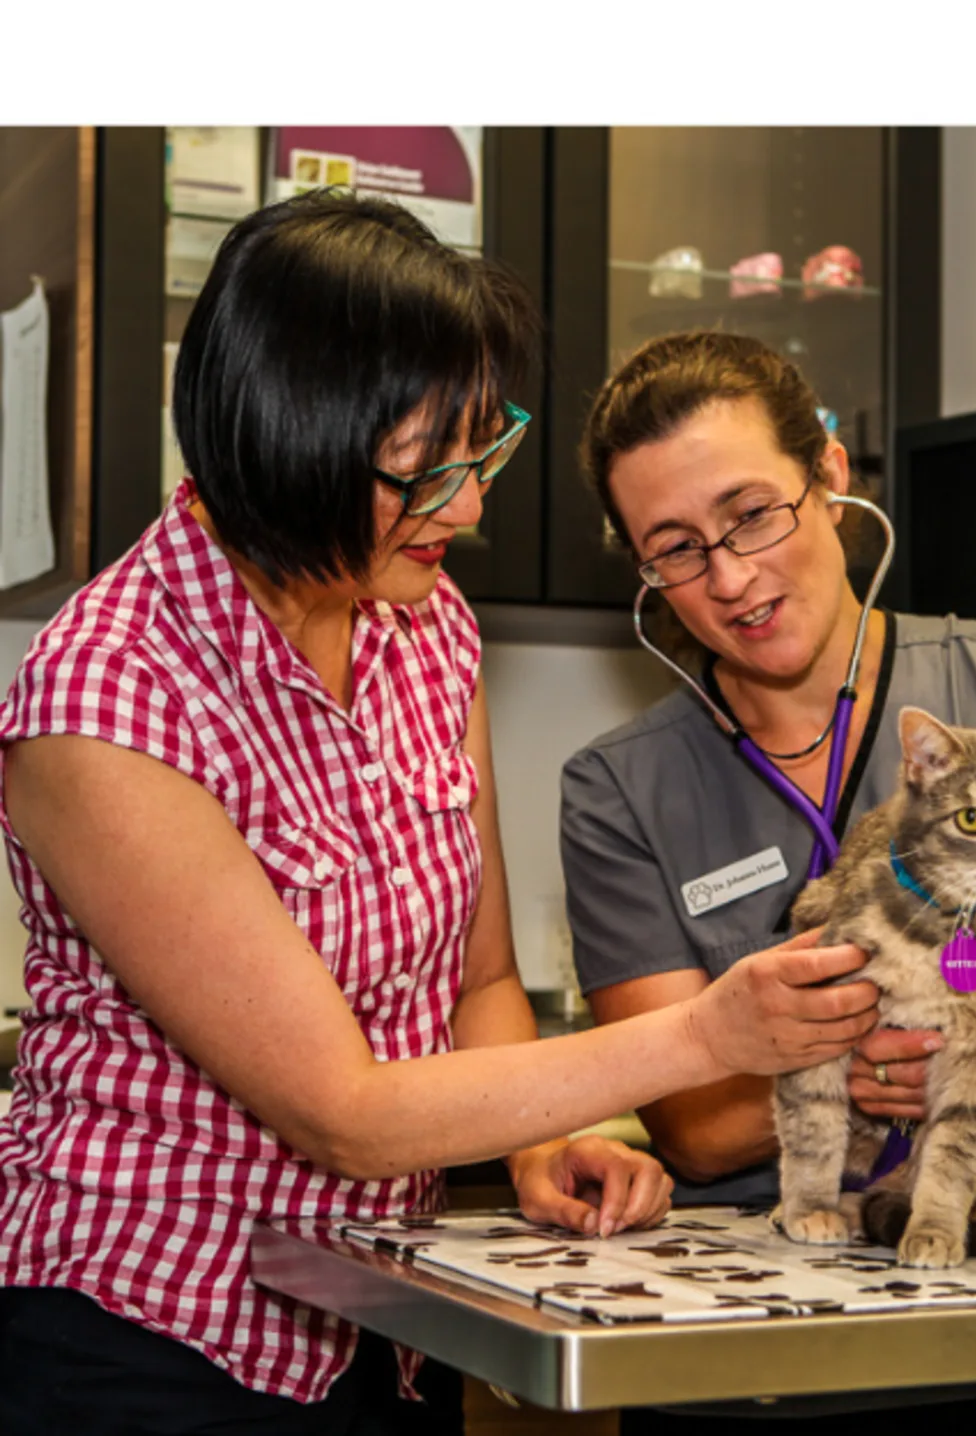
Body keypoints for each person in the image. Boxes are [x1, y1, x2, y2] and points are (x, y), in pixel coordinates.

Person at [0, 199, 886, 1436]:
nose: (467, 510)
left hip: (388, 1307)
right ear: (293, 444)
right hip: (151, 1330)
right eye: (428, 470)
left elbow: (479, 981)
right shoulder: (107, 697)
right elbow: (346, 1110)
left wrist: (540, 1145)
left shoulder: (425, 624)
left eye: (484, 451)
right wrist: (709, 1032)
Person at [560, 330, 976, 1433]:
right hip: (736, 1361)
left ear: (828, 471)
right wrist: (850, 1068)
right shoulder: (620, 786)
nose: (730, 578)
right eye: (675, 549)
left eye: (751, 514)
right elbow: (697, 1130)